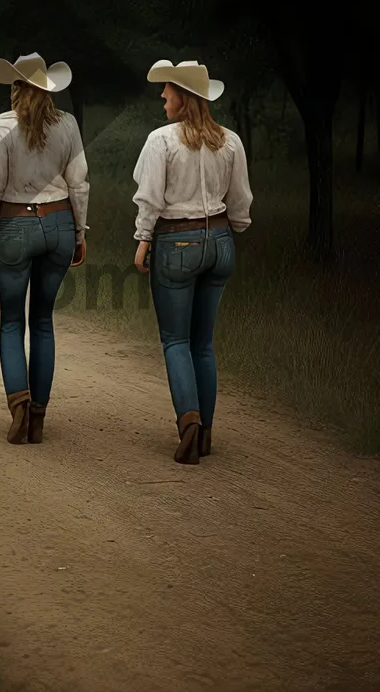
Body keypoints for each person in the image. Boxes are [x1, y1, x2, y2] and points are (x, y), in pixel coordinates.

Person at [132, 59, 253, 464]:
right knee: (203, 344)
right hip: (220, 243)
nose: (163, 95)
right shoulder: (230, 141)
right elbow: (241, 206)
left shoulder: (161, 141)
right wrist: (226, 229)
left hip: (176, 243)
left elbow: (149, 197)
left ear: (183, 97)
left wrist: (143, 240)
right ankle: (205, 434)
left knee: (176, 340)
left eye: (168, 89)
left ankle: (188, 423)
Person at [0, 52, 89, 445]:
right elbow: (79, 185)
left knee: (11, 322)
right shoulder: (68, 125)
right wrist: (79, 233)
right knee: (42, 321)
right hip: (58, 225)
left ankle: (18, 403)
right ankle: (38, 417)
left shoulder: (1, 126)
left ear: (18, 88)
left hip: (15, 226)